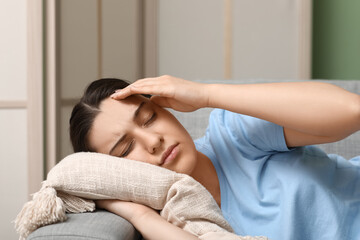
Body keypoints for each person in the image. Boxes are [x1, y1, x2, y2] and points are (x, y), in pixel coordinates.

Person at [69, 75, 360, 240]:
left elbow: (352, 111)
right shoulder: (173, 221)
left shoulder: (234, 134)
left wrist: (205, 94)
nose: (153, 140)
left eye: (149, 118)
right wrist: (140, 215)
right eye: (125, 148)